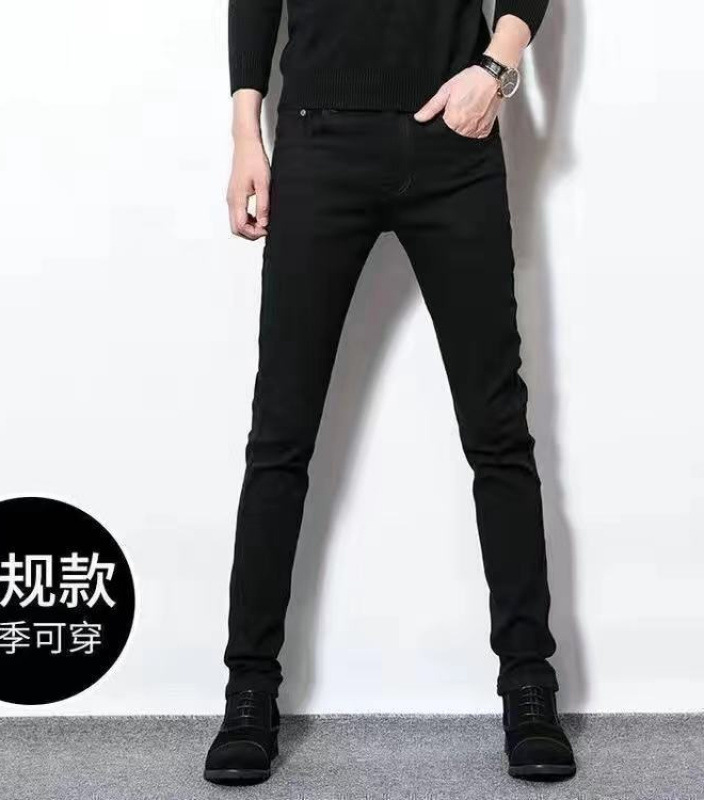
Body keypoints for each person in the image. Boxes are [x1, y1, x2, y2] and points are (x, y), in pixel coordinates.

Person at [204, 0, 576, 785]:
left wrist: (497, 66)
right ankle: (249, 690)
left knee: (497, 429)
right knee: (280, 434)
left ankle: (529, 684)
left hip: (453, 141)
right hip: (318, 139)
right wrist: (245, 133)